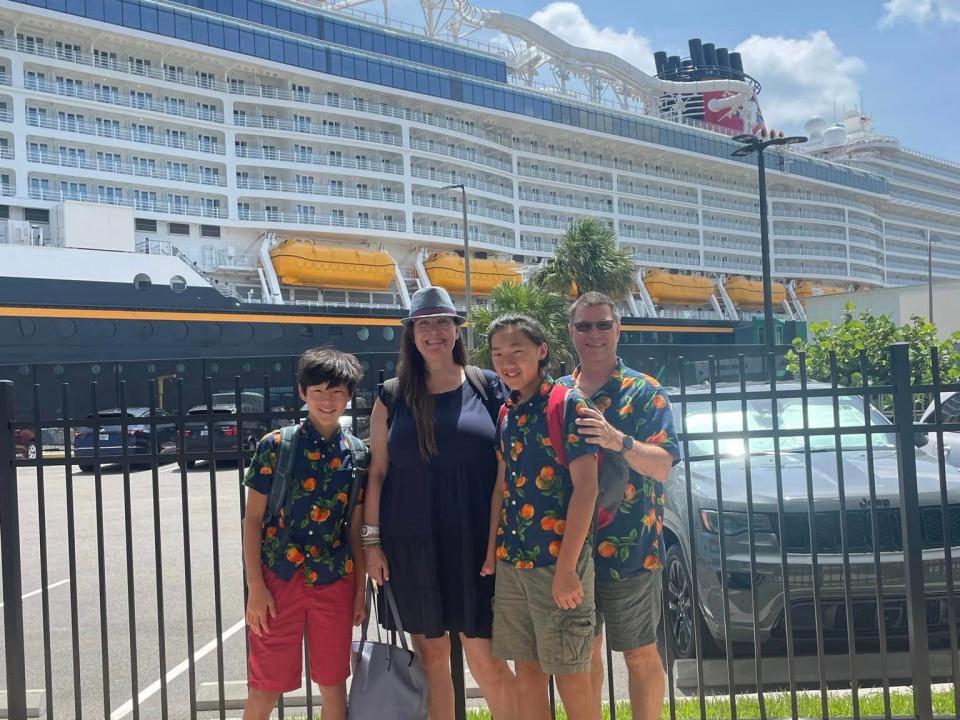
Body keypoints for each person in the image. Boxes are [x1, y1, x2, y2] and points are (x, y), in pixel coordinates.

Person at [363, 286, 518, 720]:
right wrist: (371, 543)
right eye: (425, 324)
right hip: (411, 541)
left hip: (476, 542)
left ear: (456, 330)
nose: (435, 332)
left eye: (443, 323)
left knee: (485, 657)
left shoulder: (487, 386)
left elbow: (511, 465)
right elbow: (377, 473)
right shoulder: (390, 396)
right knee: (431, 658)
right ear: (411, 333)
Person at [558, 292, 680, 720]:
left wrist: (617, 440)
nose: (594, 334)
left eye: (603, 324)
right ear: (571, 332)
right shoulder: (557, 394)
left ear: (618, 328)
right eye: (584, 326)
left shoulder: (645, 392)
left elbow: (663, 465)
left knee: (640, 655)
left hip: (632, 551)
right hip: (572, 553)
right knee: (583, 655)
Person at [481, 314, 600, 720]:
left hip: (558, 564)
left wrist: (567, 568)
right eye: (498, 355)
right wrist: (491, 552)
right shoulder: (506, 413)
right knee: (527, 671)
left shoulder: (566, 404)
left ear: (542, 351)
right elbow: (503, 486)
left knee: (570, 674)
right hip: (514, 561)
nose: (507, 363)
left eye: (517, 352)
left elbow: (588, 488)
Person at [241, 348, 368, 720]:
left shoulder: (358, 455)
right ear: (302, 393)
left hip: (334, 580)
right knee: (265, 684)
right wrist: (256, 588)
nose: (327, 401)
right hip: (278, 579)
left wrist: (360, 591)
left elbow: (355, 531)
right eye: (318, 392)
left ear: (349, 396)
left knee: (332, 683)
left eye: (337, 392)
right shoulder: (275, 446)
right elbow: (252, 520)